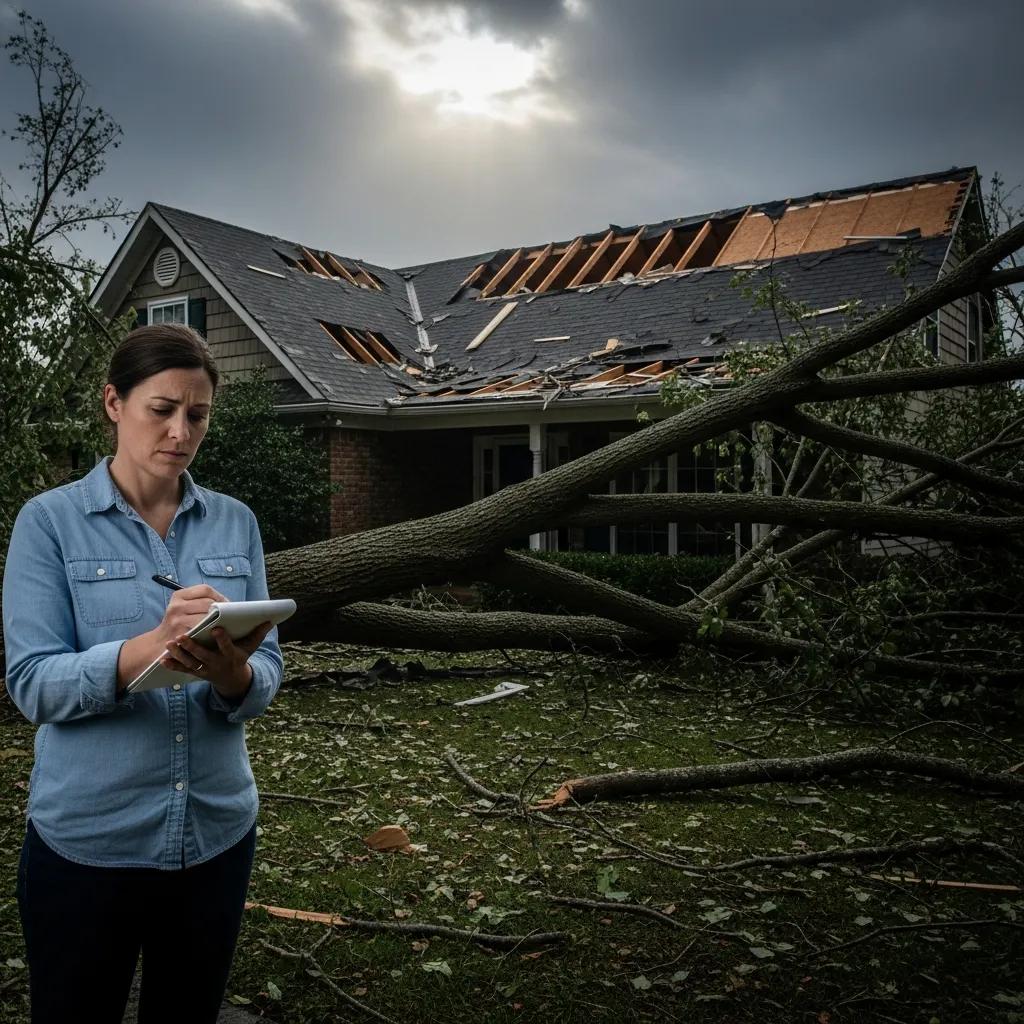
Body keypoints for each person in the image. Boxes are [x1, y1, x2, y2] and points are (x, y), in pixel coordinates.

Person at [2, 322, 284, 1023]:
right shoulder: (49, 524)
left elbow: (268, 672)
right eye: (162, 410)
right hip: (88, 846)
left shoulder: (236, 523)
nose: (180, 432)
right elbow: (32, 684)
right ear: (112, 403)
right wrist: (148, 646)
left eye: (198, 415)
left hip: (216, 836)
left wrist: (232, 678)